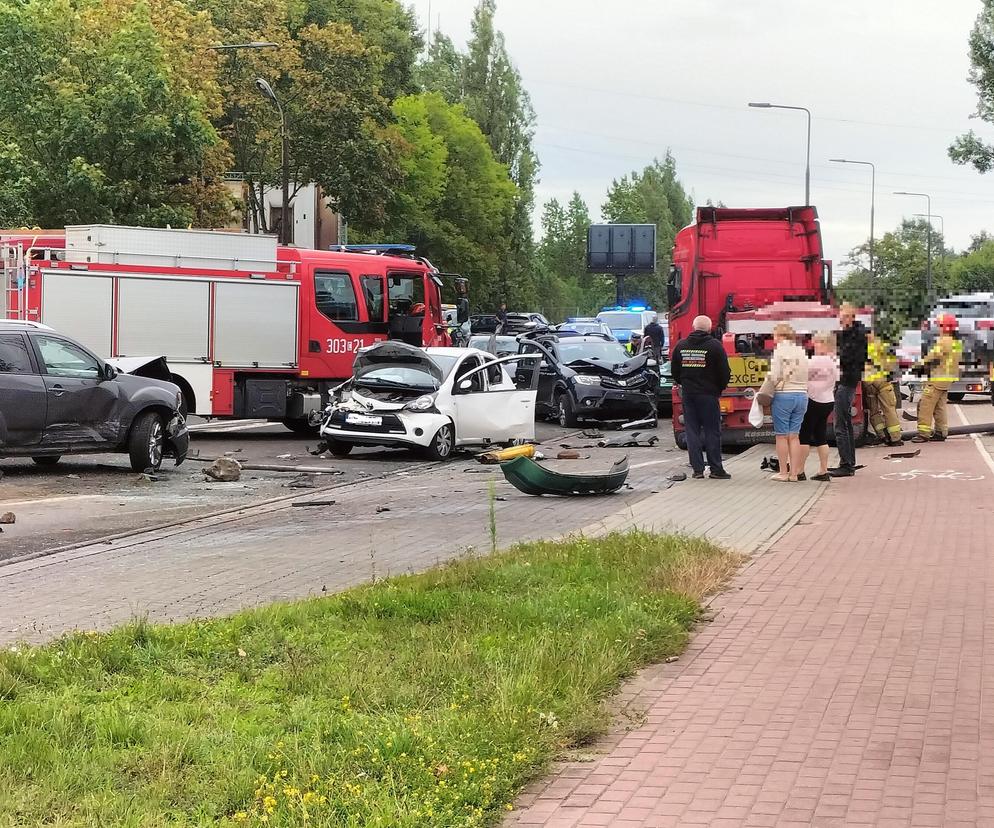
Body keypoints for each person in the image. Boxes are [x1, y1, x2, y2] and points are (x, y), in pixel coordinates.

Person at [671, 315, 732, 479]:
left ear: (693, 326)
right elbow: (724, 372)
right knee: (712, 431)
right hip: (709, 395)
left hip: (689, 395)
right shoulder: (715, 346)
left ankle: (697, 470)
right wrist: (719, 388)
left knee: (692, 431)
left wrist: (684, 383)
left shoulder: (681, 346)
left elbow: (675, 371)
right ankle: (716, 469)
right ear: (710, 328)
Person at [766, 323, 809, 482]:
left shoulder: (780, 352)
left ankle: (784, 472)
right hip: (802, 396)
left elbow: (775, 375)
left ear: (780, 336)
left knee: (782, 436)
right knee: (795, 436)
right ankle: (794, 474)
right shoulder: (802, 352)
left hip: (784, 395)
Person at [829, 303, 868, 477]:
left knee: (840, 424)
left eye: (844, 317)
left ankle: (846, 465)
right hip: (849, 380)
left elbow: (847, 358)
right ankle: (849, 461)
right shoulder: (855, 334)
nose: (841, 320)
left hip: (846, 380)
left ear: (852, 317)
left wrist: (835, 354)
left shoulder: (853, 336)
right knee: (846, 423)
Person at [912, 313, 963, 443]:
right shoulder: (956, 343)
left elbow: (932, 357)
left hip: (937, 379)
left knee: (926, 405)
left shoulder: (944, 342)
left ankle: (923, 433)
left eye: (940, 325)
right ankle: (941, 432)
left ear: (944, 327)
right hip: (946, 380)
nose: (938, 328)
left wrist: (917, 365)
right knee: (940, 407)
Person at [798, 332, 840, 482]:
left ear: (822, 343)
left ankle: (799, 471)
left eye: (816, 342)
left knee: (803, 437)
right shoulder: (835, 361)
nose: (813, 345)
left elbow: (802, 378)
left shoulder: (814, 361)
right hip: (828, 401)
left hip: (812, 401)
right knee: (821, 437)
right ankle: (823, 470)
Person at [863, 332, 903, 446]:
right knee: (889, 410)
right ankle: (895, 439)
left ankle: (882, 436)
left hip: (869, 385)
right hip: (883, 384)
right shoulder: (881, 348)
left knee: (874, 412)